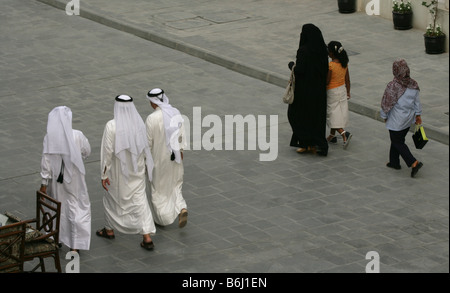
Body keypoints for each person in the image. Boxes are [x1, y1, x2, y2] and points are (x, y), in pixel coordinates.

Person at [98, 94, 156, 250]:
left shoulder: (111, 125)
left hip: (117, 174)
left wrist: (104, 174)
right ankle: (147, 237)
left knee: (112, 200)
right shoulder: (139, 124)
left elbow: (107, 151)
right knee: (140, 202)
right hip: (136, 171)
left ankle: (109, 230)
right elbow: (145, 148)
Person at [39, 106, 91, 253]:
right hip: (75, 179)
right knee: (76, 208)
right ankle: (75, 245)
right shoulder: (78, 135)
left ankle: (57, 237)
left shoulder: (49, 138)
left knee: (58, 207)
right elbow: (86, 151)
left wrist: (44, 183)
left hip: (56, 181)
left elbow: (46, 162)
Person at [145, 88, 188, 228]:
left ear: (153, 102)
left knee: (159, 188)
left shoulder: (151, 118)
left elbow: (148, 142)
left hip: (158, 159)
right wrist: (180, 151)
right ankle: (181, 207)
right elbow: (181, 134)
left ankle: (162, 219)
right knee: (176, 184)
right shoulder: (175, 112)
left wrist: (146, 160)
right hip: (175, 157)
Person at [288, 24, 329, 156]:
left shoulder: (303, 51)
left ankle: (305, 142)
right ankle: (316, 143)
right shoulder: (322, 50)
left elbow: (300, 70)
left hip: (304, 92)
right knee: (316, 118)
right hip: (319, 92)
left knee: (296, 115)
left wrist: (291, 66)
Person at [380, 59, 423, 178]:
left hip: (396, 121)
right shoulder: (413, 84)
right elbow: (417, 103)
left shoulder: (393, 86)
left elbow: (386, 103)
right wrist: (418, 115)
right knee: (397, 140)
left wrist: (384, 116)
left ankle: (413, 162)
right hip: (408, 120)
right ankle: (394, 162)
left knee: (397, 141)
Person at [326, 41, 353, 149]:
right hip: (342, 90)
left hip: (332, 92)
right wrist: (348, 92)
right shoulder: (344, 64)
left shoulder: (331, 66)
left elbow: (327, 81)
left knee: (331, 114)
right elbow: (348, 80)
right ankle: (332, 135)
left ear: (332, 53)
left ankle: (344, 133)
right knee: (337, 113)